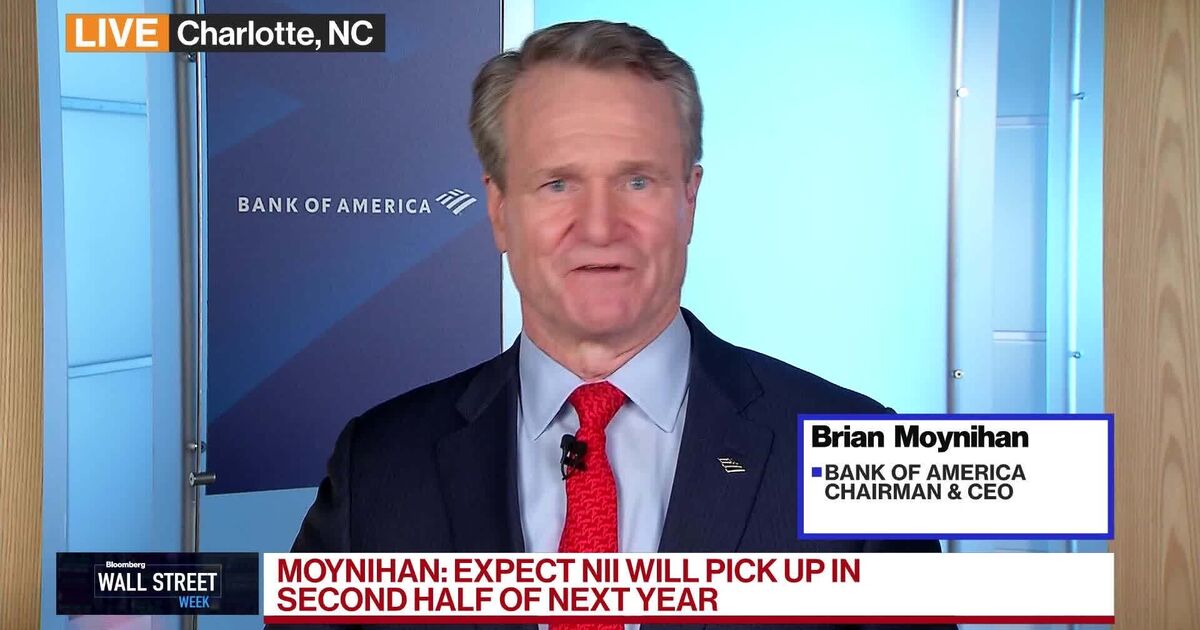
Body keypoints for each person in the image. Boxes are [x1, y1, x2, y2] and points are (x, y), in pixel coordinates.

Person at [292, 19, 951, 630]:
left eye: (637, 181)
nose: (601, 227)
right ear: (498, 210)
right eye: (558, 184)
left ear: (689, 200)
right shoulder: (377, 464)